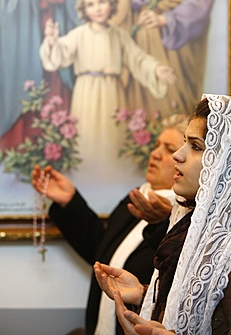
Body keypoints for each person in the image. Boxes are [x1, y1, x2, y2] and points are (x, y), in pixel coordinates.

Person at [32, 114, 187, 335]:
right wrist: (70, 201)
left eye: (168, 149)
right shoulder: (137, 197)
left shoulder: (190, 217)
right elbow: (102, 252)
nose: (155, 153)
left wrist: (162, 224)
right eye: (156, 145)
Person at [94, 95, 231, 335]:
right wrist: (143, 293)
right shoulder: (191, 223)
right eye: (183, 143)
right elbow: (190, 305)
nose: (177, 155)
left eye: (196, 146)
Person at [39, 0, 177, 213]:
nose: (98, 8)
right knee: (88, 138)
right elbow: (59, 55)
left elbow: (137, 58)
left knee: (111, 139)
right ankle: (89, 177)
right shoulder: (79, 34)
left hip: (113, 93)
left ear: (111, 4)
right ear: (84, 9)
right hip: (86, 93)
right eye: (91, 4)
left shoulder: (119, 35)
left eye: (102, 1)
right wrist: (52, 41)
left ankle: (109, 174)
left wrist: (156, 68)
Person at [0, 0, 79, 150]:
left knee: (54, 82)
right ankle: (21, 143)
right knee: (28, 87)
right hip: (23, 35)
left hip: (54, 26)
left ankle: (56, 144)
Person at [111, 0, 214, 117]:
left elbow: (201, 1)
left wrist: (165, 19)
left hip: (176, 45)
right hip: (141, 42)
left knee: (175, 101)